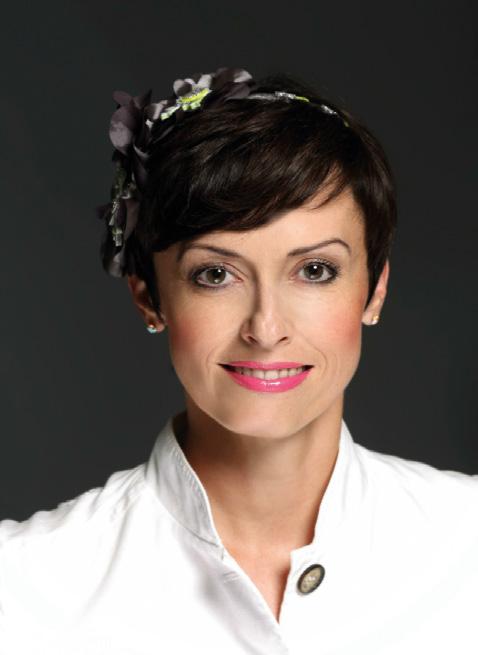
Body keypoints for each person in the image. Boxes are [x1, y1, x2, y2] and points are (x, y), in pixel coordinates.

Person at [0, 66, 477, 655]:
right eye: (215, 275)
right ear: (149, 296)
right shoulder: (23, 588)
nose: (266, 329)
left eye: (315, 270)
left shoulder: (468, 544)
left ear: (374, 290)